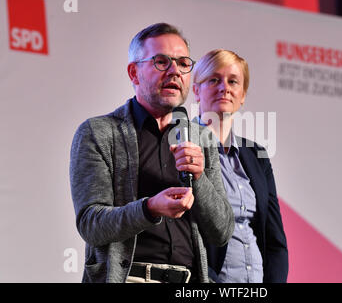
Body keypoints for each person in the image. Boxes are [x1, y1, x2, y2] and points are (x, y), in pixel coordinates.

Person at [69, 23, 234, 283]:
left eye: (183, 63)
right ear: (134, 73)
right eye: (161, 62)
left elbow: (221, 232)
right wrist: (149, 208)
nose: (174, 72)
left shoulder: (201, 138)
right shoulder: (99, 132)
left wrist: (199, 180)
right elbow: (92, 224)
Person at [192, 49, 288, 283]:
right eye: (213, 79)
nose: (224, 87)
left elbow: (274, 240)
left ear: (242, 94)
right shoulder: (182, 145)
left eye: (233, 81)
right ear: (196, 90)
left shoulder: (257, 156)